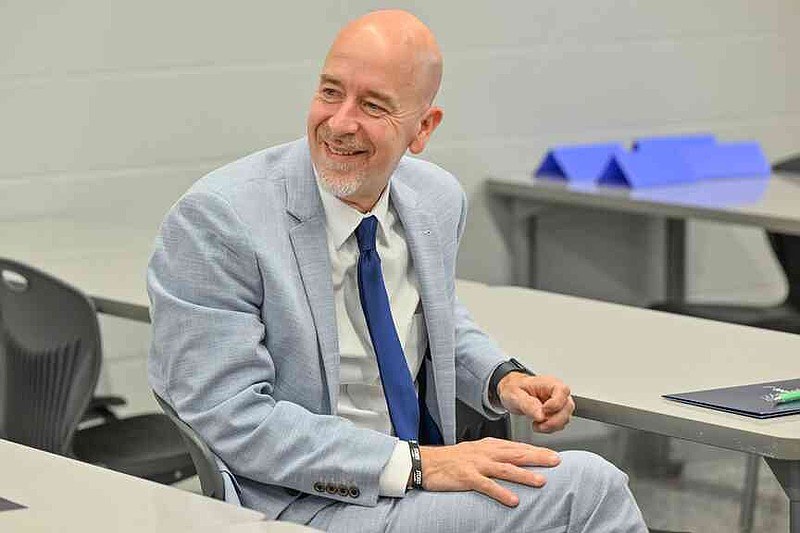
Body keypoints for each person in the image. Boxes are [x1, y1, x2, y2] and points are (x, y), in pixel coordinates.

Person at [148, 9, 647, 533]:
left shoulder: (434, 199)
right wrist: (417, 465)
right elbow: (232, 419)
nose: (340, 123)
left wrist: (503, 379)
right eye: (330, 93)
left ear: (423, 128)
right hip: (296, 502)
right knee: (590, 489)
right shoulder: (219, 221)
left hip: (417, 474)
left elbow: (432, 315)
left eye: (372, 106)